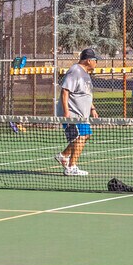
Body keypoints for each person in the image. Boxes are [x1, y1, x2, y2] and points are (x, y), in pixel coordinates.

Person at [54, 48, 99, 176]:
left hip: (82, 114)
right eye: (96, 60)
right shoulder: (75, 71)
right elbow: (65, 91)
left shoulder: (85, 74)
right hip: (73, 114)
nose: (97, 63)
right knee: (80, 137)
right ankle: (71, 167)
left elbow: (85, 94)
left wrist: (92, 108)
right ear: (89, 60)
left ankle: (63, 155)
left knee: (86, 135)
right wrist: (66, 113)